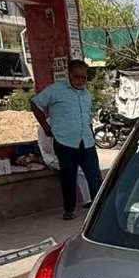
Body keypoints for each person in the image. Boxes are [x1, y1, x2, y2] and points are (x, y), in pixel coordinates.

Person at [31, 60, 102, 220]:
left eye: (84, 78)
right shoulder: (56, 90)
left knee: (94, 176)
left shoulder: (86, 94)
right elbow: (35, 103)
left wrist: (90, 134)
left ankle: (99, 209)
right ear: (69, 75)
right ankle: (69, 210)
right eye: (77, 77)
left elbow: (87, 118)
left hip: (87, 142)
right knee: (68, 177)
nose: (80, 81)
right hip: (65, 142)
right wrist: (45, 127)